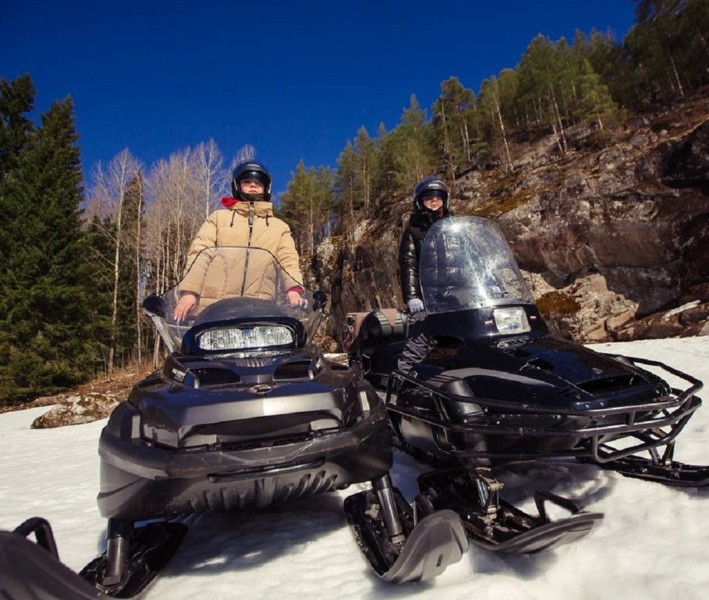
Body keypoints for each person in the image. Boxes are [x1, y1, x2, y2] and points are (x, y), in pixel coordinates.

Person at [174, 160, 304, 321]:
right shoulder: (218, 218)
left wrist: (293, 290)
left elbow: (288, 261)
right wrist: (189, 292)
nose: (253, 185)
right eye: (247, 181)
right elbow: (199, 254)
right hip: (213, 307)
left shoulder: (279, 227)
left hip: (260, 307)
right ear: (237, 186)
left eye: (258, 182)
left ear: (266, 188)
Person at [397, 175, 452, 375]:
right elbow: (408, 264)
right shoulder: (414, 230)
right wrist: (412, 296)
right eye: (429, 197)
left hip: (454, 295)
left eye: (438, 196)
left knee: (459, 341)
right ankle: (403, 385)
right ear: (420, 202)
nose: (434, 200)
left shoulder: (453, 226)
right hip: (426, 296)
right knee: (418, 343)